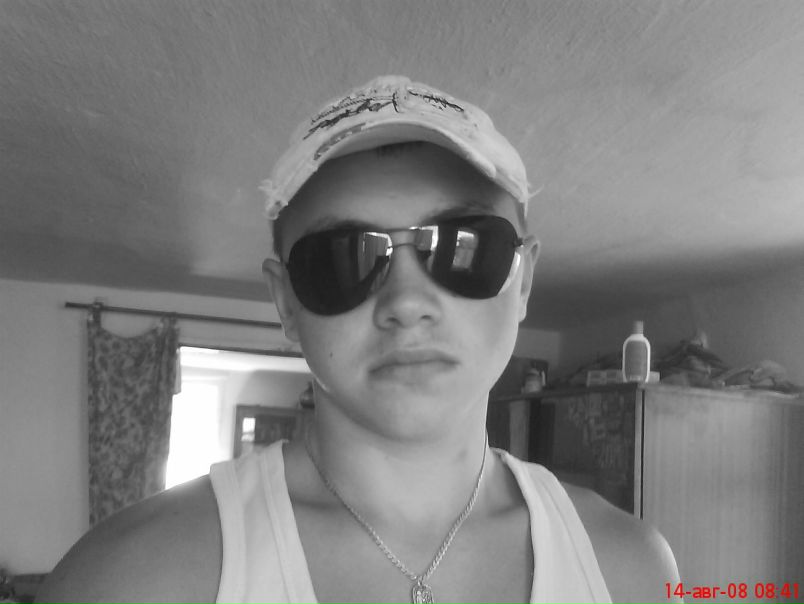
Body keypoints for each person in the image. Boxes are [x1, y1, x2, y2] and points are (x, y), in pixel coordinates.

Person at [37, 76, 681, 604]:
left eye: (464, 247)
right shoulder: (128, 580)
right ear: (287, 303)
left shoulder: (633, 570)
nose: (406, 304)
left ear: (524, 281)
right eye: (342, 258)